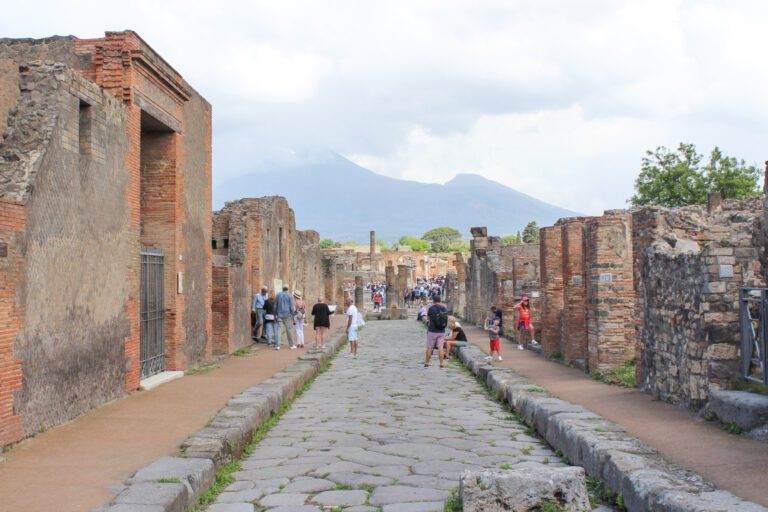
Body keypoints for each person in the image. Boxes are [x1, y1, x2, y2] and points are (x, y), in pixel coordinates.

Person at [425, 296, 448, 368]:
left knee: (429, 347)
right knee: (440, 347)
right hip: (441, 331)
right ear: (440, 300)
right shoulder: (444, 308)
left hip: (432, 330)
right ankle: (441, 363)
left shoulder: (431, 308)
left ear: (433, 301)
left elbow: (428, 318)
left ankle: (427, 363)